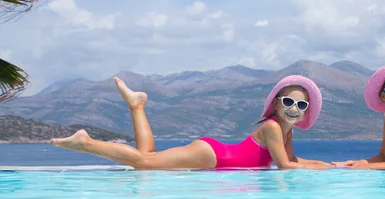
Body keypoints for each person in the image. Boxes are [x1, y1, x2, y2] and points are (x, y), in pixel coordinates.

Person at [51, 75, 332, 170]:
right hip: (215, 156)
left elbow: (295, 161)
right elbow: (285, 167)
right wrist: (324, 168)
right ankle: (86, 143)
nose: (294, 109)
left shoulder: (286, 131)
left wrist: (330, 165)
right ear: (275, 104)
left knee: (147, 160)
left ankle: (137, 106)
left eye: (301, 105)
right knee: (143, 163)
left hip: (216, 156)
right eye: (288, 102)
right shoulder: (272, 127)